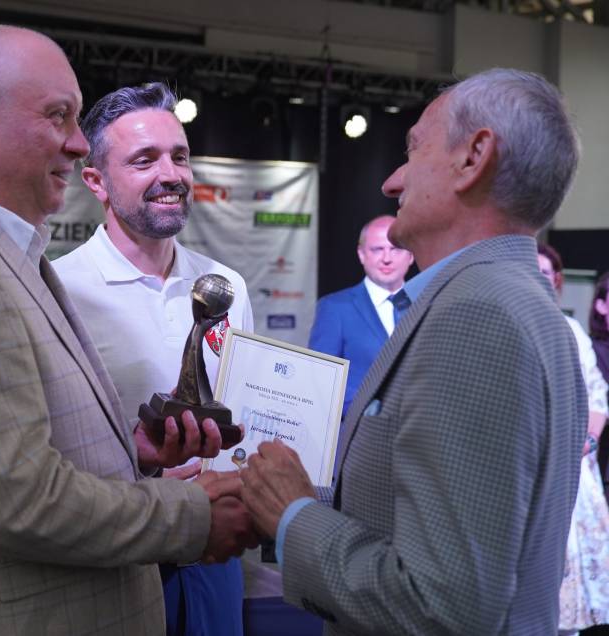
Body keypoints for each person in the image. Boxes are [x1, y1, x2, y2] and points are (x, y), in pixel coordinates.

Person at [0, 26, 257, 635]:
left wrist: (131, 453)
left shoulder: (7, 258)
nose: (77, 144)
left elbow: (19, 458)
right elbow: (18, 500)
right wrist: (195, 516)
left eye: (178, 155)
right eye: (58, 116)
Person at [239, 68, 585, 635]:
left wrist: (294, 517)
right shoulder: (514, 303)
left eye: (414, 149)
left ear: (473, 158)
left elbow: (442, 604)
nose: (392, 181)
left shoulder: (477, 315)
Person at [52, 82, 252, 636]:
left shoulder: (226, 284)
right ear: (96, 180)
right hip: (117, 557)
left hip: (214, 557)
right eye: (144, 160)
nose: (171, 174)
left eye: (179, 157)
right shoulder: (59, 290)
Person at [537, 243, 609, 635]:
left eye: (545, 273)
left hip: (574, 467)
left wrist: (589, 441)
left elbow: (597, 394)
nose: (538, 278)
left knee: (574, 599)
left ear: (557, 281)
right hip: (533, 465)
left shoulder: (572, 330)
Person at [308, 215, 413, 416]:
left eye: (396, 249)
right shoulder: (335, 308)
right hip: (359, 430)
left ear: (411, 255)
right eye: (377, 249)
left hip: (419, 430)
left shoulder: (427, 304)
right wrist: (378, 412)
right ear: (362, 254)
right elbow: (320, 379)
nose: (387, 258)